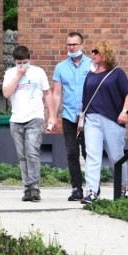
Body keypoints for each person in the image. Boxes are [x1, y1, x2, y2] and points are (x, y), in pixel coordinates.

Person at [79, 41, 128, 204]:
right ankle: (91, 191)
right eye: (92, 51)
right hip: (92, 119)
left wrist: (125, 111)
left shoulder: (117, 73)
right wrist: (81, 119)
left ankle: (122, 187)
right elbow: (85, 99)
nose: (93, 54)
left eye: (96, 52)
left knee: (116, 156)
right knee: (92, 156)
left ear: (105, 54)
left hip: (112, 120)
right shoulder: (90, 75)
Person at [2, 45, 52, 202]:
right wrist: (18, 76)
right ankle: (27, 188)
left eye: (25, 62)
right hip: (16, 120)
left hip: (35, 117)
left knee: (32, 152)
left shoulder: (38, 72)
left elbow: (47, 93)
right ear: (14, 61)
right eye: (19, 62)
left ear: (29, 59)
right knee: (22, 155)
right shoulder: (10, 73)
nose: (22, 66)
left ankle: (35, 187)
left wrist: (52, 115)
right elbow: (6, 93)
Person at [48, 31, 92, 202]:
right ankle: (76, 188)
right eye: (69, 44)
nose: (72, 47)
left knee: (89, 152)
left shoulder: (92, 65)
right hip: (68, 116)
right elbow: (57, 93)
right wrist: (53, 116)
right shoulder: (60, 67)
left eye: (75, 44)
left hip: (88, 116)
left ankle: (92, 187)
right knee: (72, 153)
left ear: (82, 45)